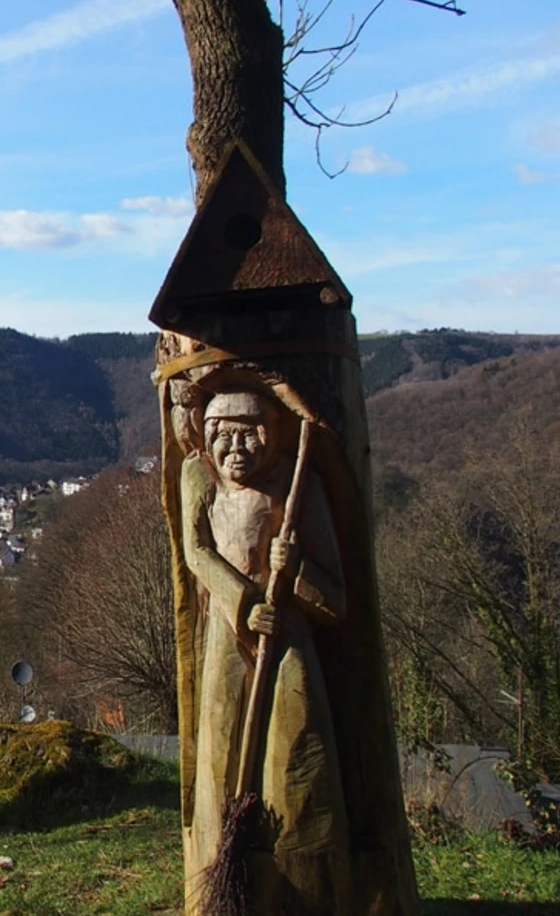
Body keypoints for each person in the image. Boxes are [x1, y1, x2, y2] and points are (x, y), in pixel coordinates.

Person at [180, 387, 353, 913]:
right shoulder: (198, 479)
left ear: (271, 437)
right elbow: (197, 552)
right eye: (222, 437)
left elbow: (338, 600)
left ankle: (307, 889)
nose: (234, 449)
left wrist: (295, 566)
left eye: (247, 435)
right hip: (228, 639)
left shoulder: (298, 489)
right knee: (221, 753)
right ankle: (221, 877)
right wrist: (241, 603)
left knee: (298, 752)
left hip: (286, 641)